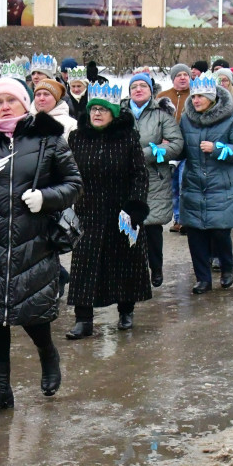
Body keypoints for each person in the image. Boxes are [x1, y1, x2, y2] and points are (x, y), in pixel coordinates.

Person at [0, 77, 82, 414]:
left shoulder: (48, 138)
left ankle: (48, 355)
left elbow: (74, 184)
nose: (4, 107)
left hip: (34, 239)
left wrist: (46, 197)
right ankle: (1, 390)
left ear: (24, 104)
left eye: (10, 100)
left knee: (32, 309)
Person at [65, 83, 151, 337]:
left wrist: (134, 207)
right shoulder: (77, 138)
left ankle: (126, 310)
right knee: (84, 265)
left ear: (113, 113)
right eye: (93, 110)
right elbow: (69, 173)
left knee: (125, 262)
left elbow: (139, 175)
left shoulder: (127, 138)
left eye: (103, 110)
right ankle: (83, 319)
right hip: (87, 210)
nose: (97, 114)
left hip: (121, 210)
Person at [178, 75, 233, 292]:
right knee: (195, 233)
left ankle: (227, 267)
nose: (196, 100)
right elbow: (181, 147)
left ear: (211, 98)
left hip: (223, 185)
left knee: (219, 231)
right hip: (193, 183)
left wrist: (218, 149)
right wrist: (165, 150)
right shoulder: (186, 118)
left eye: (200, 96)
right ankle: (203, 278)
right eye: (194, 96)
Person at [125, 72, 183, 287]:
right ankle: (131, 270)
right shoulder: (121, 113)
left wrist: (148, 153)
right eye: (134, 87)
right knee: (128, 225)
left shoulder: (161, 115)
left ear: (151, 90)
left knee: (151, 226)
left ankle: (155, 267)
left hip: (154, 178)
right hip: (126, 177)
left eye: (143, 86)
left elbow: (176, 144)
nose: (138, 90)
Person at [159, 64, 192, 233]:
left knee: (184, 183)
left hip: (188, 148)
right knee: (172, 186)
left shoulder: (195, 96)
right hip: (168, 147)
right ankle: (177, 218)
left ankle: (185, 218)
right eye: (178, 74)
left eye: (185, 74)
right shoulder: (163, 97)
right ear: (173, 78)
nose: (182, 77)